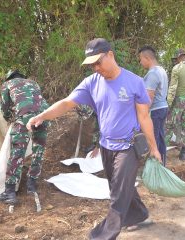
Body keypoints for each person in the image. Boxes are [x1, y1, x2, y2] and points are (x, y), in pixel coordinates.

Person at [26, 38, 161, 240]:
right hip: (107, 146)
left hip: (129, 146)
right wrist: (41, 116)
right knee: (118, 187)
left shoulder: (135, 82)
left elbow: (144, 117)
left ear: (111, 55)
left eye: (98, 62)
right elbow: (66, 103)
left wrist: (154, 147)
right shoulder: (91, 83)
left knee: (117, 196)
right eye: (91, 65)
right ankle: (139, 214)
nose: (95, 68)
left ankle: (102, 236)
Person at [0, 70, 49, 204]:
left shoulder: (7, 84)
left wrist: (10, 119)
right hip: (44, 116)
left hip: (24, 117)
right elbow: (37, 101)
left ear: (9, 78)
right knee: (38, 152)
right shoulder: (33, 82)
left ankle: (9, 192)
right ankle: (31, 185)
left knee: (17, 153)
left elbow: (5, 108)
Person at [138, 46, 169, 166]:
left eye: (141, 59)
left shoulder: (152, 74)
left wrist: (143, 115)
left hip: (156, 110)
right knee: (160, 138)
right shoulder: (161, 70)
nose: (140, 62)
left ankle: (153, 168)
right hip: (163, 108)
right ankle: (162, 165)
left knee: (152, 140)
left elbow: (148, 97)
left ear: (147, 58)